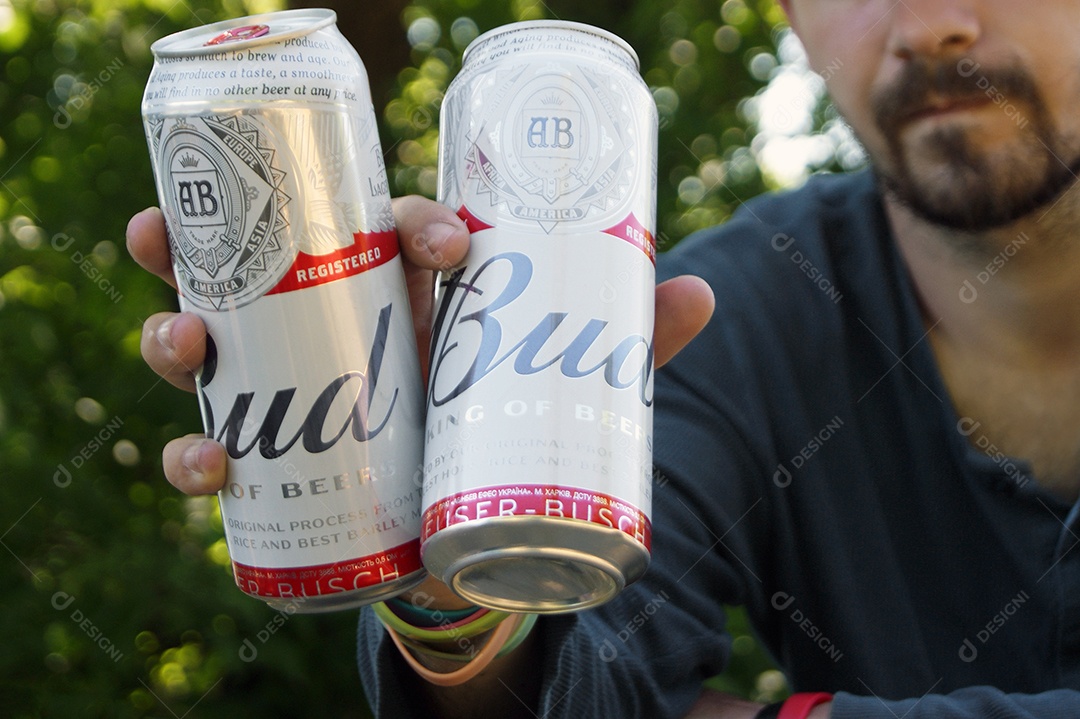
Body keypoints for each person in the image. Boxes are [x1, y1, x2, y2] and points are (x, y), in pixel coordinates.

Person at [129, 0, 1080, 716]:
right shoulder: (739, 308)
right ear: (795, 18)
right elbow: (593, 677)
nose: (931, 26)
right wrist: (439, 557)